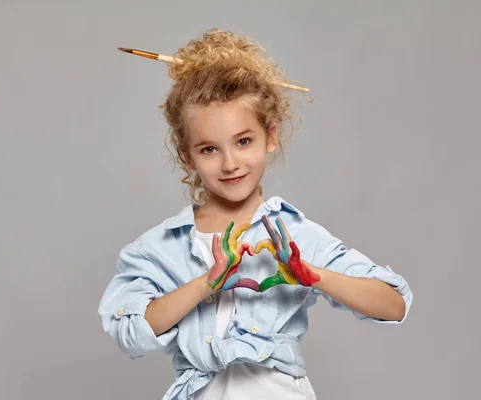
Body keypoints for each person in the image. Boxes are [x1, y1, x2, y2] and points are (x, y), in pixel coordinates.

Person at [98, 29, 413, 400]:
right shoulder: (158, 247)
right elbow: (128, 334)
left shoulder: (293, 234)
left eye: (243, 141)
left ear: (271, 136)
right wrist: (205, 283)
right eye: (209, 149)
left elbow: (393, 304)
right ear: (187, 155)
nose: (230, 163)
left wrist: (313, 275)